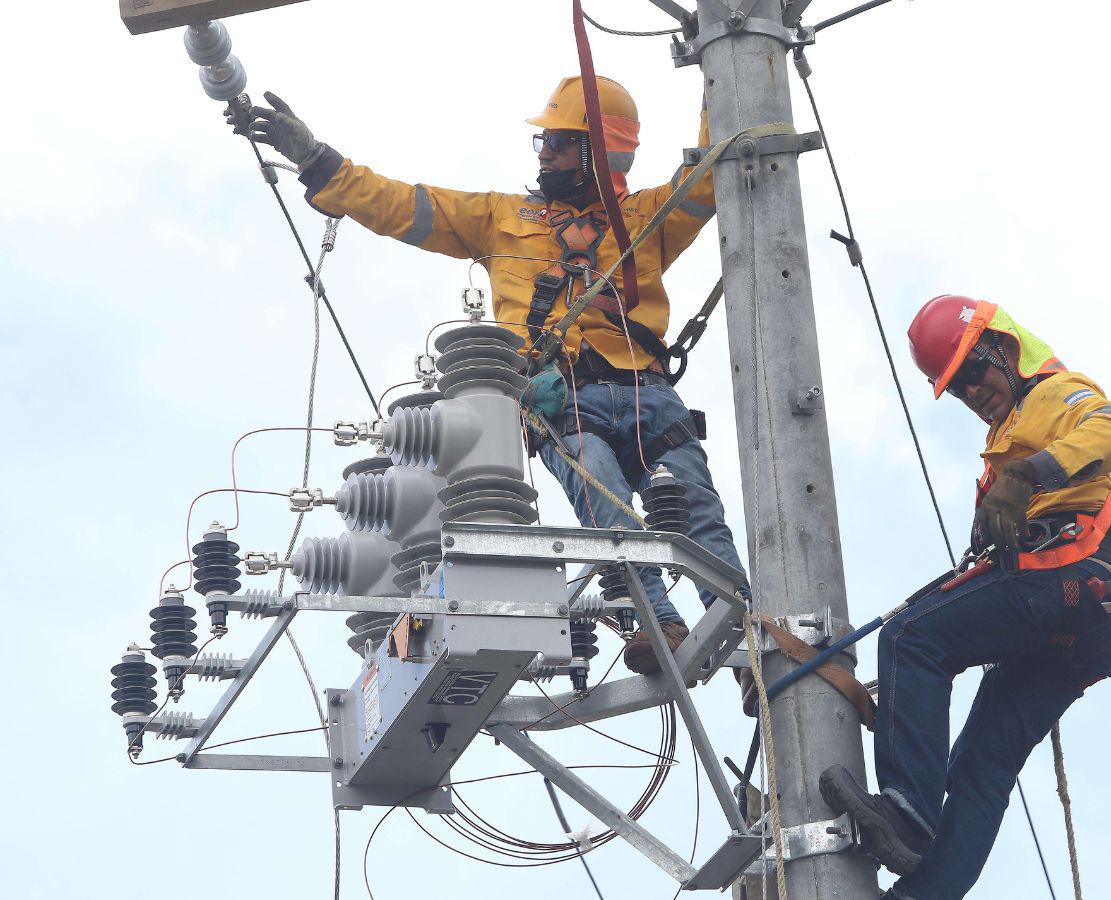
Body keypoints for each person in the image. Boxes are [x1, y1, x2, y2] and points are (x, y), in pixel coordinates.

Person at [234, 77, 751, 674]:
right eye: (545, 142)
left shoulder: (646, 217)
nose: (544, 153)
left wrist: (723, 66)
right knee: (606, 505)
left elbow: (714, 173)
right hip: (566, 403)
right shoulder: (502, 218)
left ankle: (748, 651)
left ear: (597, 154)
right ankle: (657, 620)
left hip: (651, 397)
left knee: (697, 515)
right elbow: (403, 204)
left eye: (558, 142)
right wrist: (315, 159)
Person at [819, 295, 1111, 899]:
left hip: (1070, 580)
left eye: (975, 371)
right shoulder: (1004, 443)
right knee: (982, 766)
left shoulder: (1054, 395)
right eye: (958, 386)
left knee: (913, 638)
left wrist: (1029, 475)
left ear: (1003, 349)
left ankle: (907, 813)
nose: (972, 390)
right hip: (1085, 625)